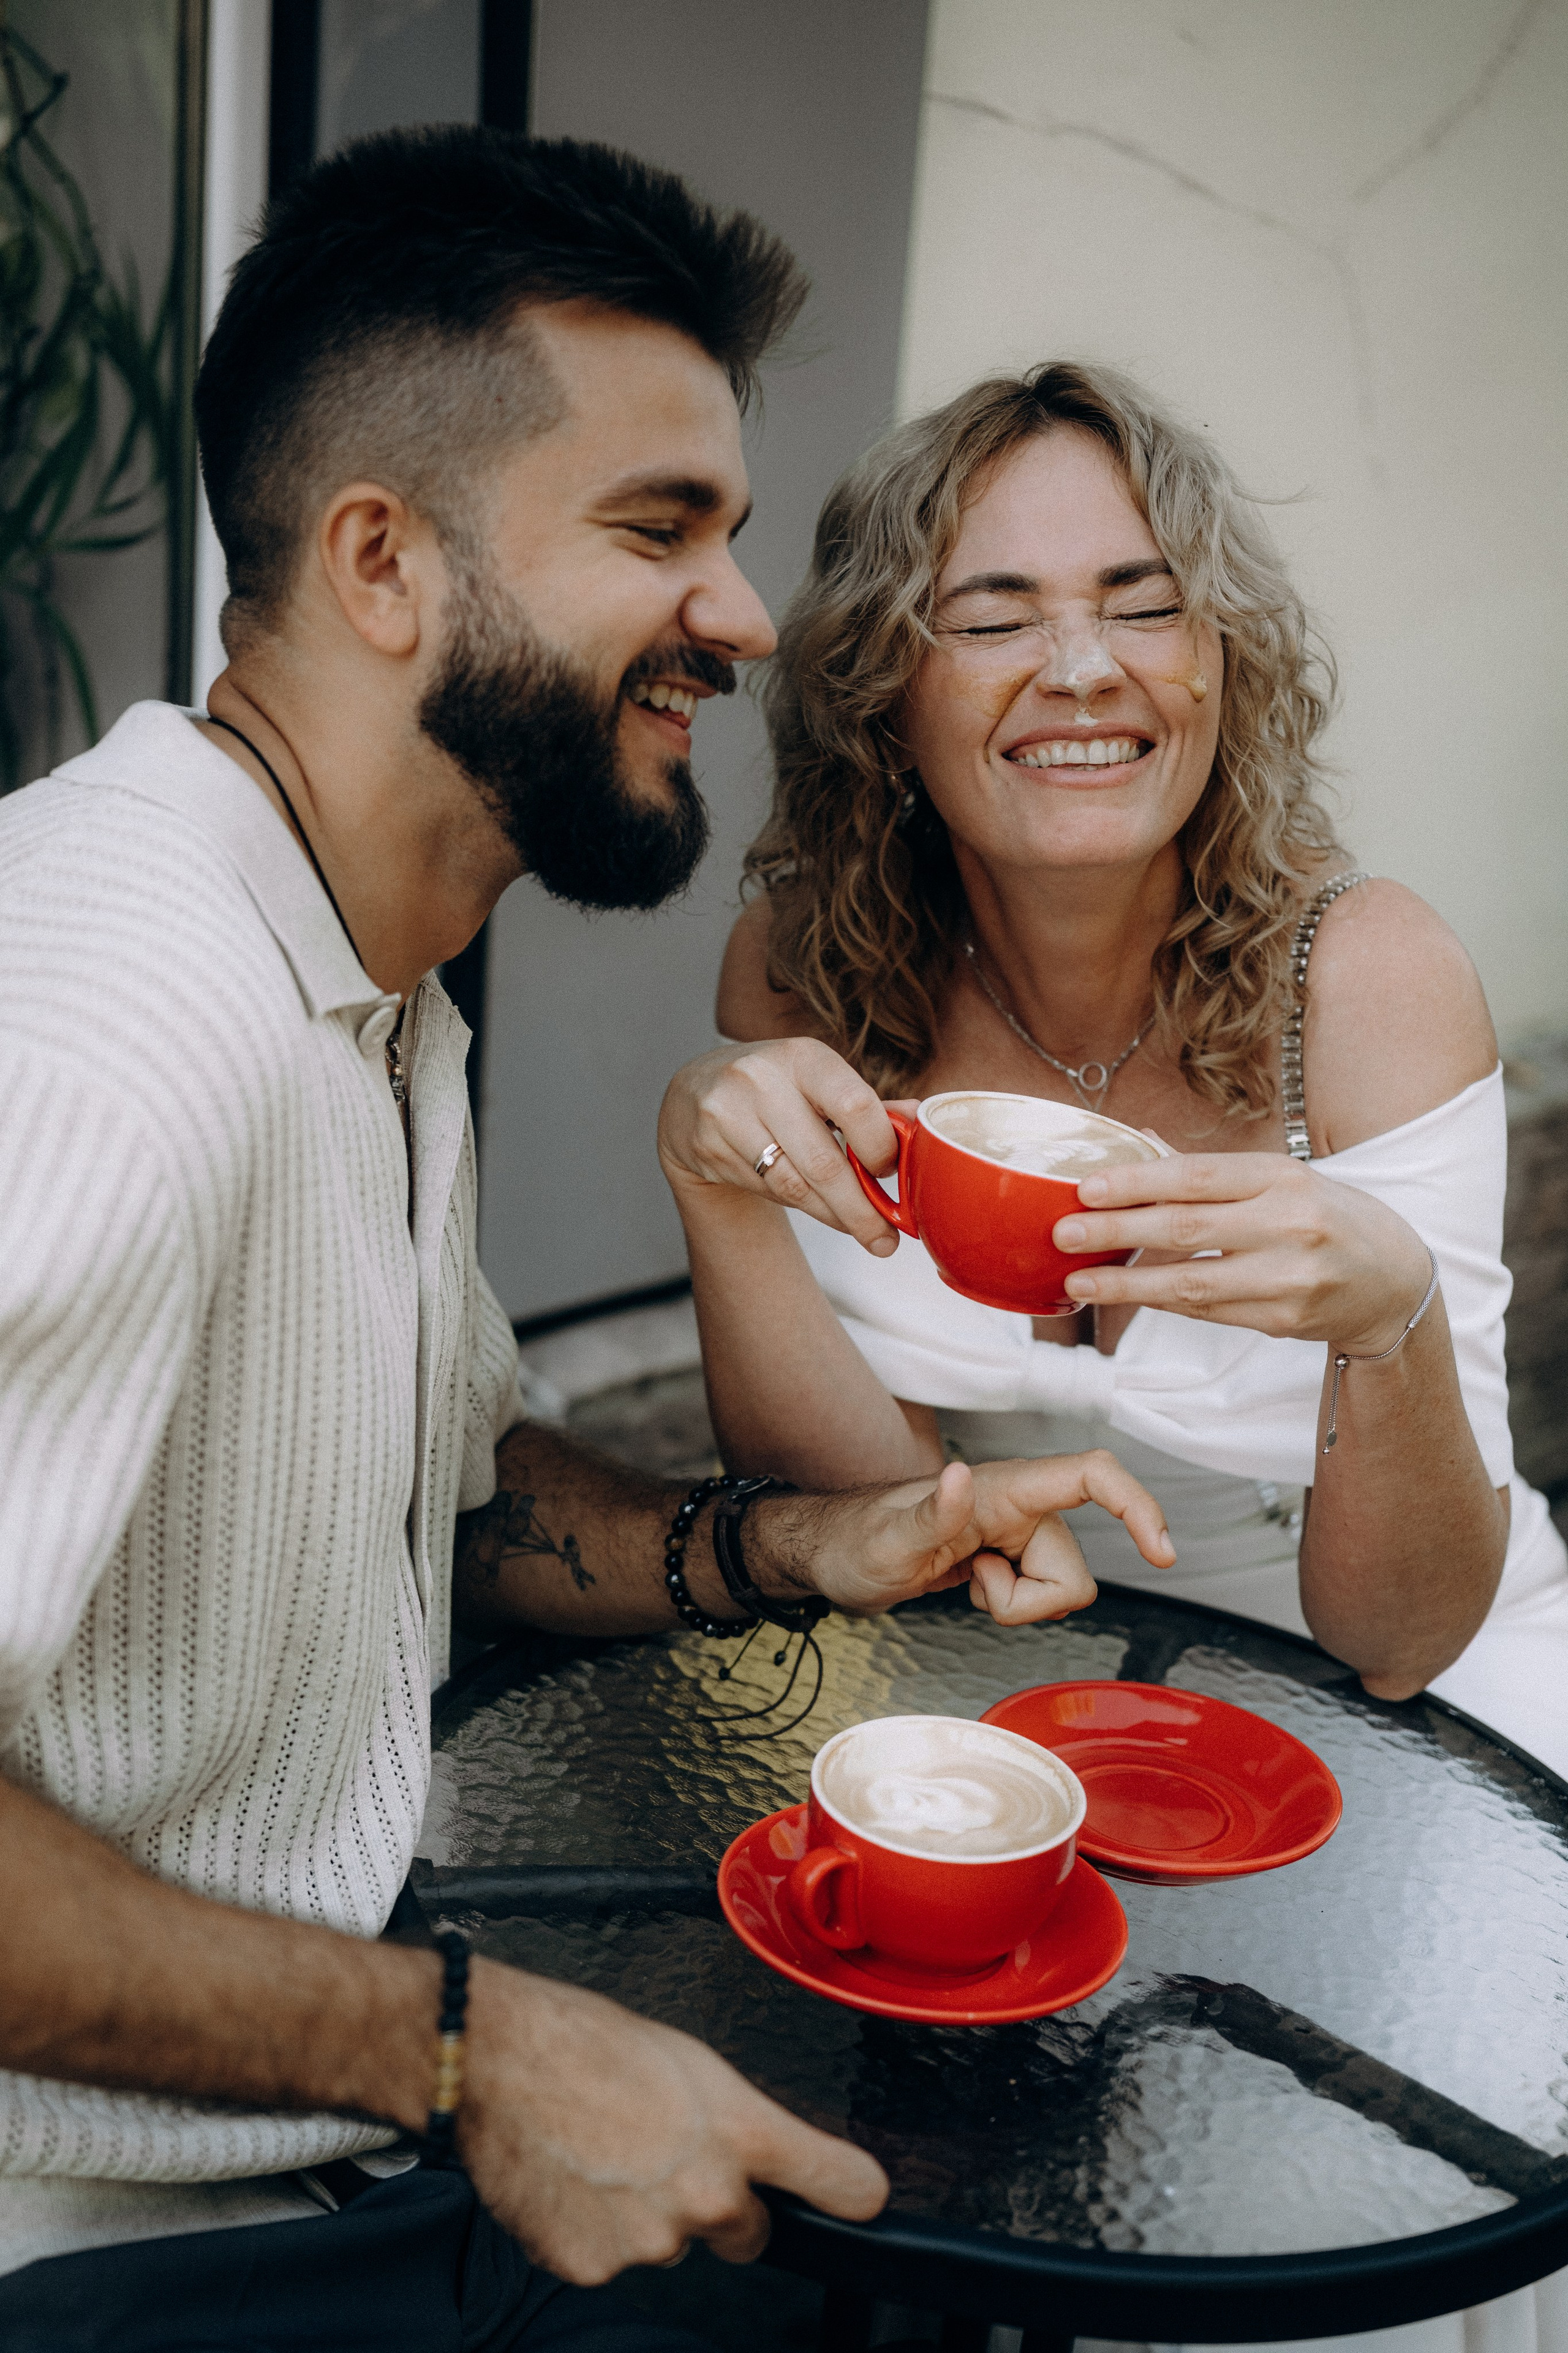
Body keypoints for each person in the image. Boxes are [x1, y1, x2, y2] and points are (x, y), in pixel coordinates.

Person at [0, 153, 1177, 2348]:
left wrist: (813, 1541)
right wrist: (477, 2052)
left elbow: (443, 1504)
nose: (743, 615)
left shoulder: (364, 974)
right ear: (384, 563)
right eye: (660, 531)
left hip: (325, 2112)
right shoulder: (109, 1016)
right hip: (119, 2247)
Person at [658, 360, 1568, 1780]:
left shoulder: (1366, 980)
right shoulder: (801, 971)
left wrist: (1390, 1318)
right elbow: (864, 1522)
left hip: (1406, 1703)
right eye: (991, 614)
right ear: (883, 692)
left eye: (1144, 604)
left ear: (1220, 663)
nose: (1084, 667)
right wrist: (713, 1202)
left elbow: (1401, 1637)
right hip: (993, 1668)